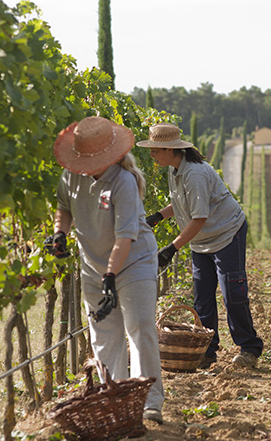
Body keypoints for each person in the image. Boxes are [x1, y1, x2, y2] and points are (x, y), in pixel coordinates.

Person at [48, 116, 164, 424]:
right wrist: (60, 233)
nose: (85, 165)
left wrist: (111, 277)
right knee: (104, 334)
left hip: (133, 260)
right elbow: (63, 207)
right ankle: (113, 399)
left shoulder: (122, 182)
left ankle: (148, 398)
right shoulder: (71, 175)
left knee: (139, 325)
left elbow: (124, 237)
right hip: (93, 264)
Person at [137, 123, 263, 369]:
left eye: (155, 150)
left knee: (232, 293)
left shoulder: (194, 173)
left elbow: (199, 217)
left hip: (227, 232)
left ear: (170, 150)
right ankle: (207, 350)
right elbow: (181, 204)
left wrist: (172, 248)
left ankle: (249, 347)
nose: (152, 155)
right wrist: (158, 216)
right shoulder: (175, 170)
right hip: (201, 239)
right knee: (203, 297)